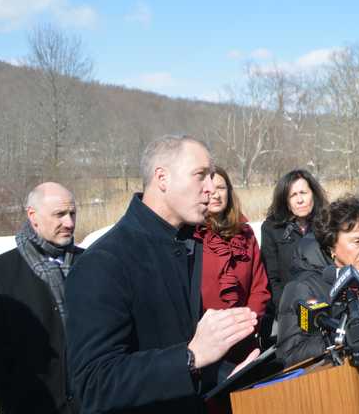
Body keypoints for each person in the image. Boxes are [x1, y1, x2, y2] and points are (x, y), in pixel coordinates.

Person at [65, 135, 259, 414]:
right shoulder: (102, 263)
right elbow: (95, 384)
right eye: (200, 176)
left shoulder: (189, 245)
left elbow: (176, 345)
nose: (211, 190)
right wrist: (190, 358)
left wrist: (226, 374)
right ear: (162, 178)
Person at [0, 182, 83, 414]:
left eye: (72, 214)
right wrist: (10, 399)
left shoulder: (93, 264)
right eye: (59, 214)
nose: (69, 223)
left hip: (93, 404)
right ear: (33, 216)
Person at [195, 167, 271, 414]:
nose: (216, 195)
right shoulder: (192, 236)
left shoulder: (246, 232)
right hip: (205, 341)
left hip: (244, 335)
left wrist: (248, 321)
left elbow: (260, 285)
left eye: (222, 188)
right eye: (210, 189)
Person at [276, 195, 359, 367]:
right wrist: (342, 338)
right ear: (332, 248)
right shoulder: (303, 288)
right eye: (357, 241)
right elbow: (289, 354)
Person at [260, 170, 328, 318]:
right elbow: (272, 278)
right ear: (286, 201)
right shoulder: (272, 228)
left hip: (325, 306)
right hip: (289, 308)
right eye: (293, 195)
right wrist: (285, 310)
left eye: (303, 193)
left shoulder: (327, 224)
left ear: (313, 195)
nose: (300, 200)